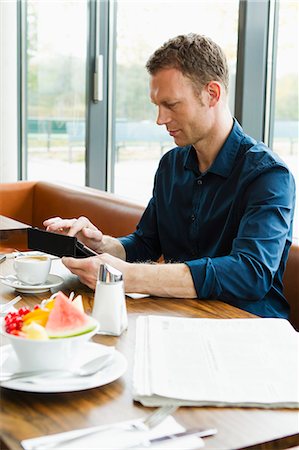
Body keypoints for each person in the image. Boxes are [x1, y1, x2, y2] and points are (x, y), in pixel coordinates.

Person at [44, 34, 295, 319]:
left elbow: (250, 274)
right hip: (182, 317)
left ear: (212, 94)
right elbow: (145, 245)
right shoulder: (171, 165)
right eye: (157, 106)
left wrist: (131, 276)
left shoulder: (270, 175)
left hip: (248, 328)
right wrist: (100, 245)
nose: (160, 119)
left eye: (171, 104)